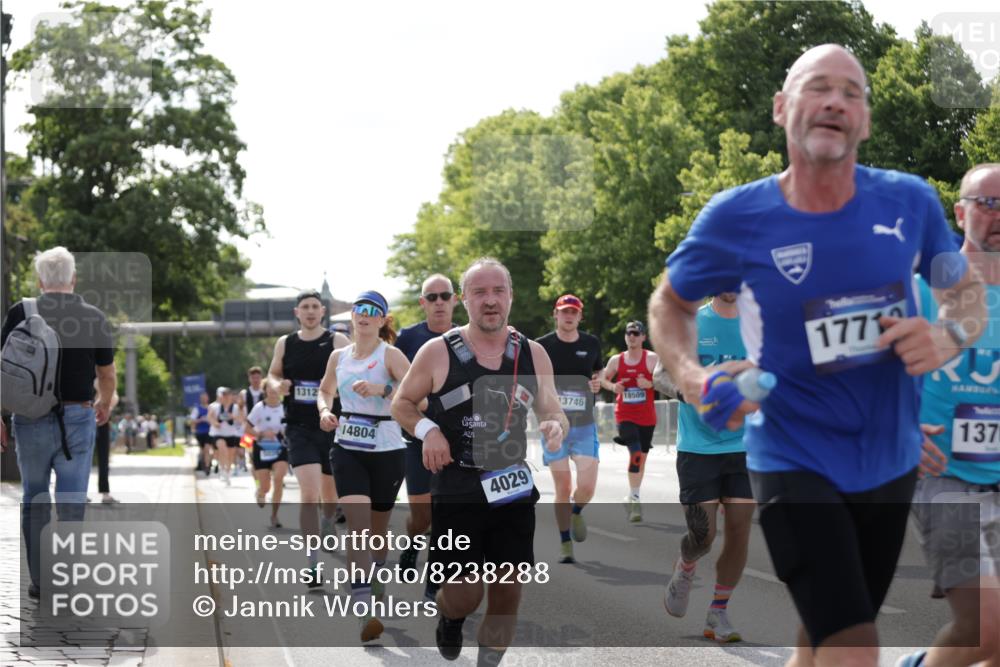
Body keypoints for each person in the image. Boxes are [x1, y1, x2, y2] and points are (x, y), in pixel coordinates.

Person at [648, 45, 986, 667]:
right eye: (817, 87)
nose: (835, 100)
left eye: (851, 93)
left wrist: (946, 336)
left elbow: (964, 294)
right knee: (855, 647)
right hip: (793, 456)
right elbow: (669, 304)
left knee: (826, 630)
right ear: (782, 108)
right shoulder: (737, 217)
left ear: (865, 121)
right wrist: (693, 376)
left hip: (889, 461)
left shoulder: (909, 203)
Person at [392, 257, 567, 665]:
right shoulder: (437, 352)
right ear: (464, 301)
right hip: (458, 486)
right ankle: (449, 618)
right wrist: (428, 431)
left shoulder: (532, 354)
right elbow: (401, 404)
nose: (490, 301)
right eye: (480, 293)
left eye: (498, 291)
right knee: (465, 594)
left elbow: (552, 409)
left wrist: (555, 425)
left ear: (510, 297)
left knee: (507, 591)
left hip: (512, 485)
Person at [896, 163, 1000, 667]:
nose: (998, 215)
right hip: (943, 476)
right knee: (984, 628)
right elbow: (866, 374)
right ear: (960, 213)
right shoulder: (922, 290)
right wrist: (900, 427)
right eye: (988, 203)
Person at [0, 246, 116, 599]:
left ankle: (40, 581)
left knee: (34, 497)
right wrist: (104, 402)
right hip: (78, 418)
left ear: (40, 281)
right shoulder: (94, 316)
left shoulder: (21, 311)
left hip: (30, 418)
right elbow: (107, 373)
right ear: (73, 279)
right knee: (71, 500)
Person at [660, 293, 755, 644]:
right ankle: (686, 565)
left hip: (745, 445)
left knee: (740, 529)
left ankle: (718, 610)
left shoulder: (759, 323)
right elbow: (660, 374)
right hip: (698, 446)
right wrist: (689, 392)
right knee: (704, 536)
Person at [318, 289, 411, 643]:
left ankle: (375, 574)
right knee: (357, 526)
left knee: (377, 533)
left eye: (373, 310)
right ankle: (364, 610)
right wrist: (326, 411)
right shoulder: (339, 356)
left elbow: (418, 392)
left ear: (382, 319)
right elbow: (325, 391)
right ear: (353, 316)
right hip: (348, 447)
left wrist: (383, 390)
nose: (365, 315)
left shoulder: (392, 355)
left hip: (387, 448)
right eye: (360, 309)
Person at [267, 289, 350, 585]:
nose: (311, 311)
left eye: (316, 306)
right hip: (299, 427)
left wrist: (342, 388)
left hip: (331, 425)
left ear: (323, 312)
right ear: (297, 312)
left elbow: (356, 370)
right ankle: (312, 565)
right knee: (309, 493)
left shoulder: (337, 341)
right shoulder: (285, 343)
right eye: (306, 307)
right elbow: (272, 375)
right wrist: (279, 385)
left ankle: (328, 523)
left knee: (330, 495)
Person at [394, 273, 457, 596]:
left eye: (444, 296)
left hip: (460, 439)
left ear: (455, 300)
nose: (439, 303)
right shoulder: (407, 339)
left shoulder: (468, 338)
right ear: (423, 303)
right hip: (417, 439)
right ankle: (412, 542)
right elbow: (395, 384)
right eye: (431, 298)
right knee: (423, 517)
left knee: (447, 515)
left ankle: (435, 583)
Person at [535, 294, 603, 564]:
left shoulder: (591, 343)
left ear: (580, 316)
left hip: (584, 425)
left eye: (574, 311)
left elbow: (596, 374)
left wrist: (597, 383)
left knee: (586, 487)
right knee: (563, 485)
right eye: (564, 311)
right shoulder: (542, 347)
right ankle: (565, 542)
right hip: (554, 426)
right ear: (555, 314)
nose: (569, 315)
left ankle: (576, 511)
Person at [601, 320, 659, 523]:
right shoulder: (617, 360)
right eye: (628, 333)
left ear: (643, 337)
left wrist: (651, 383)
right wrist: (612, 387)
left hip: (647, 417)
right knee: (635, 453)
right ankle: (635, 499)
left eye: (636, 333)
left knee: (641, 459)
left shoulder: (652, 359)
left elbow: (667, 380)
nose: (632, 336)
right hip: (624, 414)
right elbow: (603, 379)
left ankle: (632, 494)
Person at [245, 381, 290, 529]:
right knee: (265, 486)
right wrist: (262, 433)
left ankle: (274, 515)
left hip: (280, 448)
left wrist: (286, 432)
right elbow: (247, 428)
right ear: (265, 391)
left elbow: (290, 426)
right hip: (262, 448)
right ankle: (261, 492)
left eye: (275, 388)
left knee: (279, 478)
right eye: (269, 388)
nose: (273, 391)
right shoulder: (260, 407)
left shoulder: (285, 407)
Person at [208, 388, 242, 484]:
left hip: (231, 433)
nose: (226, 398)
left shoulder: (235, 408)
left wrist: (233, 417)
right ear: (221, 397)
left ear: (231, 397)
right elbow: (210, 417)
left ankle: (227, 472)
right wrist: (215, 423)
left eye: (228, 395)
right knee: (222, 448)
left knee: (230, 454)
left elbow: (241, 419)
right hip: (218, 433)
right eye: (224, 396)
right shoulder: (215, 407)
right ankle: (222, 468)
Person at [190, 392, 214, 474]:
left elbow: (216, 419)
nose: (204, 399)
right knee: (203, 450)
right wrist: (201, 420)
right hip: (200, 433)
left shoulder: (212, 408)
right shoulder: (197, 409)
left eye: (205, 397)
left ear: (208, 398)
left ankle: (207, 465)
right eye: (202, 398)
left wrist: (210, 421)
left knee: (208, 448)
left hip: (210, 432)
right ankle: (204, 463)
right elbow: (192, 421)